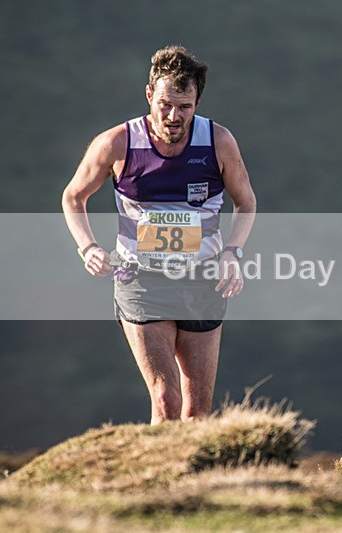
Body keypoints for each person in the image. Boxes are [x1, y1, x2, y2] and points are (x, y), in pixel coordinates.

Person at [62, 45, 256, 424]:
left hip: (202, 280)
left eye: (185, 107)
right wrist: (87, 247)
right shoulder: (118, 143)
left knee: (197, 410)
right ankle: (160, 483)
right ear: (149, 94)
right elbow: (73, 196)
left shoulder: (218, 142)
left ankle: (193, 483)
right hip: (141, 279)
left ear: (197, 101)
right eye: (165, 103)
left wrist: (233, 252)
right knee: (166, 399)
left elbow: (246, 202)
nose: (173, 116)